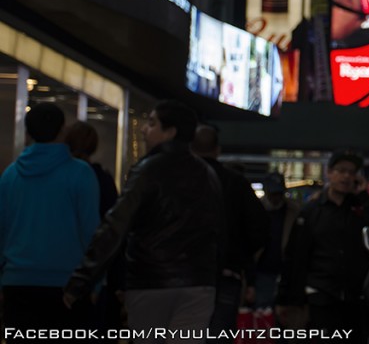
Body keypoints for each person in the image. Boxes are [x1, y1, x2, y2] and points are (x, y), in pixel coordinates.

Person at [64, 101, 224, 343]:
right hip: (198, 283)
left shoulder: (147, 170)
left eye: (151, 123)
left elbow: (115, 226)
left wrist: (81, 280)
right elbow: (218, 230)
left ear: (170, 132)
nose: (143, 130)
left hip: (150, 281)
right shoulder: (208, 174)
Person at [0, 104, 99, 329]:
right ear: (63, 131)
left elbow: (2, 231)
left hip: (18, 283)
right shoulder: (81, 173)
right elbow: (91, 232)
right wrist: (95, 283)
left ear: (27, 132)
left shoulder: (10, 175)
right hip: (67, 286)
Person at [276, 151, 369, 339]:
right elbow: (295, 255)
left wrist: (364, 196)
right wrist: (288, 298)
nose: (346, 176)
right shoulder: (312, 212)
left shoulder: (360, 210)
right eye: (341, 170)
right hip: (319, 296)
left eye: (352, 172)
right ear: (329, 173)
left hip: (354, 299)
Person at [191, 124, 269, 335]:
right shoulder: (236, 183)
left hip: (184, 274)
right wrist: (242, 256)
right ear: (217, 149)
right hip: (227, 272)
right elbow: (260, 228)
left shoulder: (178, 179)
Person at [64, 120, 122, 330]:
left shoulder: (59, 176)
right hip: (93, 272)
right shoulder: (102, 180)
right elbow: (110, 230)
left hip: (58, 270)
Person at [252, 173, 300, 311]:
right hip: (262, 269)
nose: (276, 197)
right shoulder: (256, 209)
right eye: (273, 193)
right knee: (263, 310)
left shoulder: (293, 210)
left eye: (279, 193)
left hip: (285, 270)